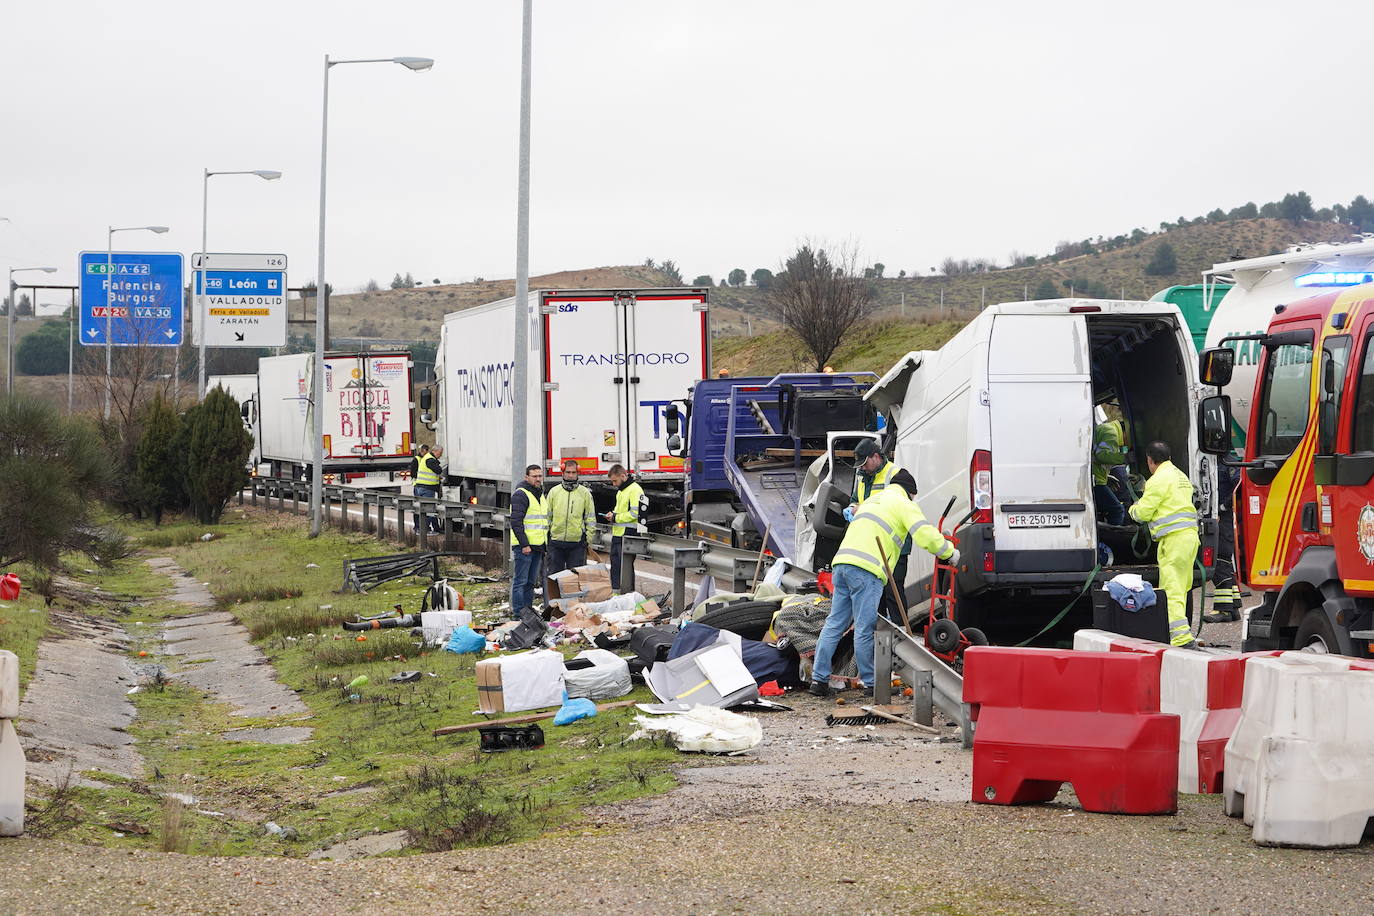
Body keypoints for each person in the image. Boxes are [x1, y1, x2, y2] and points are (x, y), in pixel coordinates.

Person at [811, 481, 958, 697]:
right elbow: (925, 535)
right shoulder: (903, 503)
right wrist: (948, 552)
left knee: (834, 623)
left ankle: (819, 681)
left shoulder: (873, 500)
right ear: (911, 493)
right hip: (866, 569)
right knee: (864, 628)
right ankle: (872, 684)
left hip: (842, 564)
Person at [1129, 441, 1200, 648]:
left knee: (1172, 589)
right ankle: (1180, 633)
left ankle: (1180, 638)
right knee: (1182, 587)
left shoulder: (1157, 479)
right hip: (1189, 538)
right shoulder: (1180, 476)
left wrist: (1132, 509)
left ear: (1150, 461)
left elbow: (1143, 513)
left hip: (1174, 540)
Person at [845, 439, 918, 621]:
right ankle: (881, 636)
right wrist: (853, 507)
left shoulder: (896, 475)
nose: (862, 468)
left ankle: (900, 634)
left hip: (894, 545)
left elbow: (903, 507)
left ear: (876, 457)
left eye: (865, 463)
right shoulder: (863, 476)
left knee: (893, 592)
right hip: (872, 546)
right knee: (875, 594)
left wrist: (863, 509)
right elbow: (856, 498)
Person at [1204, 453, 1242, 623]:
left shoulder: (1229, 462)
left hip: (1224, 517)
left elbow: (1239, 488)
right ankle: (1233, 608)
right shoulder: (1216, 461)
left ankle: (1223, 610)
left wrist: (1222, 507)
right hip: (1219, 516)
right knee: (1223, 560)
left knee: (1220, 560)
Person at [546, 459, 597, 576]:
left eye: (574, 472)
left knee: (575, 578)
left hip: (577, 544)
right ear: (562, 473)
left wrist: (587, 540)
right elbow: (547, 517)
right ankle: (555, 595)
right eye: (568, 472)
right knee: (554, 577)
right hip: (555, 543)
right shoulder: (554, 492)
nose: (571, 475)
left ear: (578, 473)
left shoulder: (585, 493)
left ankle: (574, 596)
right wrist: (547, 538)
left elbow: (590, 518)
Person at [509, 464, 548, 613]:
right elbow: (516, 522)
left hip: (537, 545)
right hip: (524, 547)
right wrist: (524, 544)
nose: (538, 479)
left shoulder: (539, 493)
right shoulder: (521, 494)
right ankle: (519, 613)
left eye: (540, 476)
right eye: (535, 476)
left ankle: (528, 611)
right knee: (521, 581)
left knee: (531, 582)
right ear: (527, 477)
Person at [603, 464, 647, 593]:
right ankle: (617, 595)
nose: (614, 484)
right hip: (618, 534)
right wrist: (612, 515)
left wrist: (616, 517)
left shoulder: (635, 490)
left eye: (615, 481)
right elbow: (620, 511)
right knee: (616, 567)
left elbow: (635, 514)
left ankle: (627, 595)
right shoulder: (622, 491)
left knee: (625, 568)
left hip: (629, 534)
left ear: (623, 476)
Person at [1092, 411, 1127, 526]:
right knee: (1117, 510)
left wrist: (1108, 477)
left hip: (1096, 478)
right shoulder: (1111, 432)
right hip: (1095, 481)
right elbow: (1102, 455)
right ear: (1125, 432)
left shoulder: (1107, 429)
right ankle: (1114, 541)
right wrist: (1125, 458)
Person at [412, 445, 444, 533]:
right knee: (428, 509)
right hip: (427, 488)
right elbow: (438, 470)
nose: (440, 455)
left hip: (421, 487)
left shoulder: (426, 458)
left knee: (424, 509)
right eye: (440, 453)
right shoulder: (430, 459)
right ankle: (424, 530)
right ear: (436, 451)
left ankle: (423, 528)